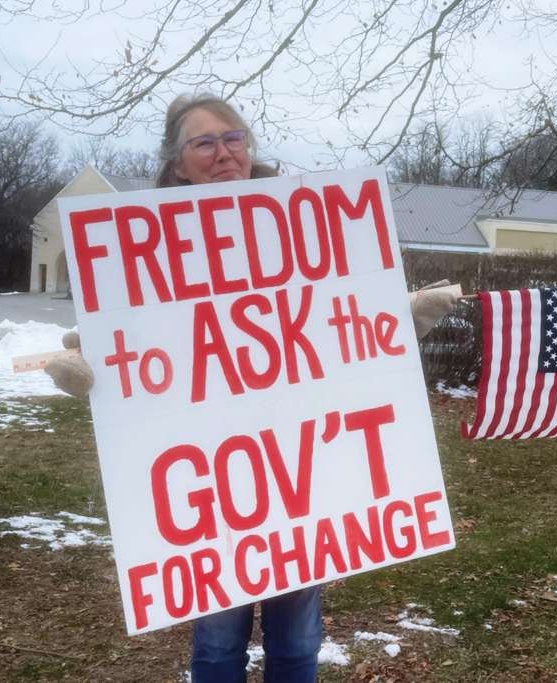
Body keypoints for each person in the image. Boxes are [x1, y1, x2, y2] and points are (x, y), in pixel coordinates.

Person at [46, 94, 460, 682]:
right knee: (217, 645)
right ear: (177, 162)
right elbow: (129, 348)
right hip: (206, 482)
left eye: (233, 137)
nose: (223, 152)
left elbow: (340, 327)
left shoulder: (301, 222)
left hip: (298, 473)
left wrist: (405, 315)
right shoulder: (137, 245)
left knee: (297, 641)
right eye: (204, 142)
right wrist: (88, 372)